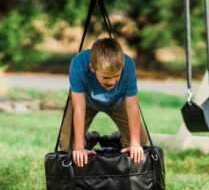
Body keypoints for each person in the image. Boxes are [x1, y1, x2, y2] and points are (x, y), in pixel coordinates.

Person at [59, 38, 149, 167]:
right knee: (69, 146)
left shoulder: (129, 65)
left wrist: (135, 143)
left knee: (141, 141)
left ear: (122, 67)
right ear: (92, 68)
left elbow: (132, 107)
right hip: (86, 101)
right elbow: (79, 107)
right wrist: (78, 146)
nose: (112, 82)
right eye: (106, 77)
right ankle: (89, 138)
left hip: (118, 101)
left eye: (117, 76)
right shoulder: (78, 64)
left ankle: (113, 140)